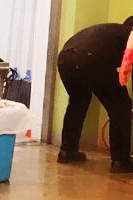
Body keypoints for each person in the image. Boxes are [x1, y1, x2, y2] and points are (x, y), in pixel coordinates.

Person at [57, 16, 133, 173]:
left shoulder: (112, 30)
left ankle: (67, 151)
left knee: (78, 102)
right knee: (121, 107)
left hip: (66, 58)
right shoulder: (130, 35)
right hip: (91, 57)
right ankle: (120, 161)